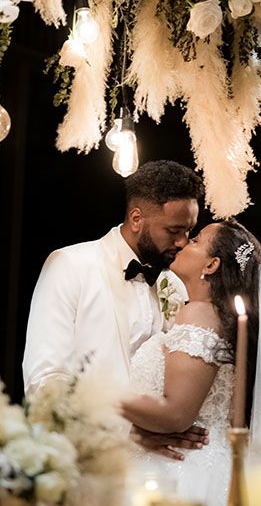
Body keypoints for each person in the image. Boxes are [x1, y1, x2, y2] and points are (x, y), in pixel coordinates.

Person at [121, 220, 261, 506]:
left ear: (211, 265)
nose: (182, 243)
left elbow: (176, 413)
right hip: (202, 465)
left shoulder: (199, 313)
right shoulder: (212, 314)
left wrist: (103, 398)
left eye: (194, 240)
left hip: (182, 475)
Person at [23, 159, 206, 459]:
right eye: (174, 230)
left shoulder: (175, 286)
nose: (183, 242)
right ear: (137, 219)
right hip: (82, 465)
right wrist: (129, 434)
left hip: (152, 470)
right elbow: (44, 382)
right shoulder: (70, 265)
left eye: (189, 231)